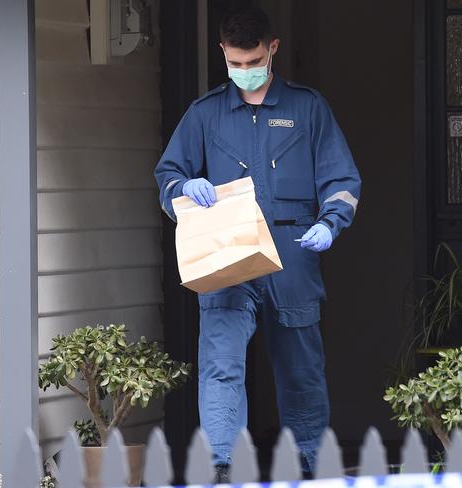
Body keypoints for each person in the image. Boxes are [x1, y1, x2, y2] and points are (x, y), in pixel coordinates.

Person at [154, 5, 361, 482]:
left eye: (254, 61)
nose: (245, 72)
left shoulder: (308, 108)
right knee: (221, 366)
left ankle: (310, 464)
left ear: (273, 49)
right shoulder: (204, 114)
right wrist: (184, 189)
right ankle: (224, 466)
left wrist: (331, 223)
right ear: (223, 52)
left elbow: (342, 177)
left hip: (293, 251)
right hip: (227, 251)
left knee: (301, 369)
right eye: (236, 63)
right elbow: (168, 173)